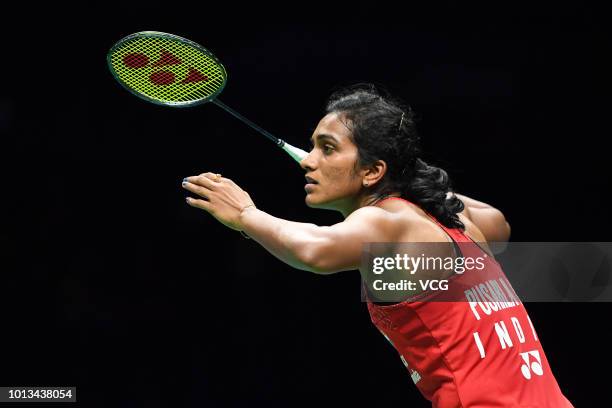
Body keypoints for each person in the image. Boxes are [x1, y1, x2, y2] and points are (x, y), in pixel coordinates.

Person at [181, 84, 573, 407]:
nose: (308, 161)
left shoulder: (389, 223)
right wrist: (414, 177)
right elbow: (499, 223)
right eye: (312, 147)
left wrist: (245, 215)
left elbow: (316, 251)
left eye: (328, 148)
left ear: (373, 171)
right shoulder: (454, 221)